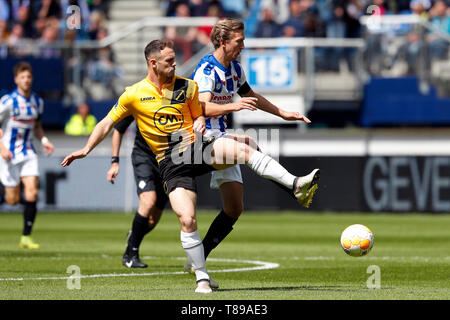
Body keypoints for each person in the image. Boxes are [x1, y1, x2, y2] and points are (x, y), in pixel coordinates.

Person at [61, 39, 320, 293]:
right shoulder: (134, 93)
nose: (175, 65)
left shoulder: (187, 87)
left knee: (245, 147)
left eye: (174, 59)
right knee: (187, 219)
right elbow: (106, 123)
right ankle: (202, 278)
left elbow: (200, 114)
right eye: (169, 61)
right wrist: (86, 149)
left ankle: (295, 184)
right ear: (153, 63)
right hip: (169, 163)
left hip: (194, 149)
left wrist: (200, 123)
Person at [187, 17, 314, 274]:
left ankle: (197, 258)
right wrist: (232, 106)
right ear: (223, 42)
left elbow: (251, 96)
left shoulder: (235, 69)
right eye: (239, 41)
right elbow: (200, 107)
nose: (243, 46)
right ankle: (294, 185)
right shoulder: (207, 71)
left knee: (234, 208)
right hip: (198, 139)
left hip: (219, 136)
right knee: (248, 147)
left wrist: (283, 113)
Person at [0, 61, 54, 249]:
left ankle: (26, 236)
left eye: (29, 77)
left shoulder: (37, 101)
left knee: (32, 192)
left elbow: (37, 126)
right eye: (23, 77)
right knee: (12, 200)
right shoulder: (7, 101)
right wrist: (2, 148)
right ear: (16, 80)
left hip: (29, 152)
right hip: (8, 155)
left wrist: (45, 141)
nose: (26, 80)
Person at [106, 116, 169, 269]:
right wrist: (114, 162)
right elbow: (118, 129)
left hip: (168, 161)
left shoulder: (177, 96)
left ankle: (133, 236)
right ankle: (131, 255)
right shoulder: (139, 95)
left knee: (153, 220)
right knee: (148, 201)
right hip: (144, 157)